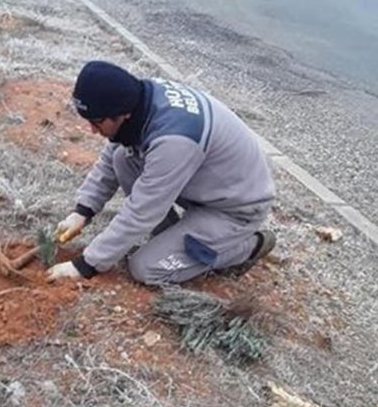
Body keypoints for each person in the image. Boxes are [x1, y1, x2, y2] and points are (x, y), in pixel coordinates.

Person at [46, 60, 275, 286]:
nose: (92, 130)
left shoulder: (174, 141)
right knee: (121, 159)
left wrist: (86, 264)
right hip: (204, 185)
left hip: (235, 208)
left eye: (97, 122)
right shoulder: (138, 97)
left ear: (122, 113)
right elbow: (111, 156)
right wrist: (83, 211)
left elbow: (142, 211)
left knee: (145, 268)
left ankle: (247, 247)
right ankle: (173, 236)